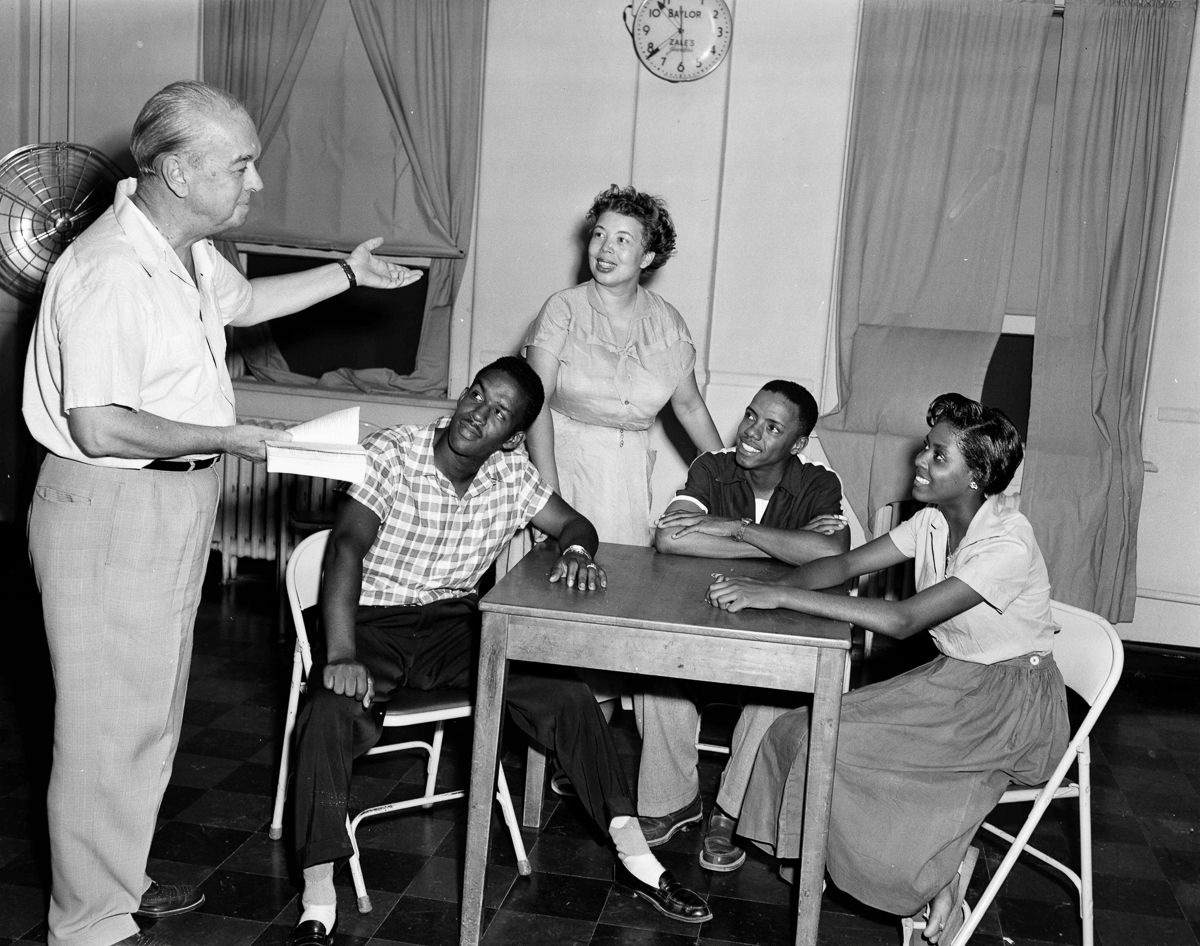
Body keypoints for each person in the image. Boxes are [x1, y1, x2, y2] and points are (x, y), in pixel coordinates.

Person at [22, 81, 423, 946]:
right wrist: (233, 437)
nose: (257, 182)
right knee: (104, 726)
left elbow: (245, 305)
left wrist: (348, 272)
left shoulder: (184, 251)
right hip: (112, 504)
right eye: (240, 166)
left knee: (149, 716)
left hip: (170, 497)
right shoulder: (108, 270)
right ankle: (87, 922)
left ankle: (117, 882)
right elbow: (100, 424)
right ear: (176, 173)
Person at [288, 358, 711, 946]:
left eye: (497, 413)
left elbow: (577, 526)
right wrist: (339, 653)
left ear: (512, 437)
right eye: (476, 395)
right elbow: (345, 549)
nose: (475, 414)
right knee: (328, 710)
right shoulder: (395, 451)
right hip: (369, 621)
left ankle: (636, 858)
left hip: (454, 626)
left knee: (566, 694)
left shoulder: (511, 476)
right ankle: (318, 896)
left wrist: (576, 552)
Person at [706, 394, 1070, 946]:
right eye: (927, 447)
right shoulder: (932, 521)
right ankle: (890, 864)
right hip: (953, 682)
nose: (920, 461)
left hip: (1010, 704)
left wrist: (776, 597)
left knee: (836, 747)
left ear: (976, 477)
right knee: (796, 732)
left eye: (939, 456)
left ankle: (933, 874)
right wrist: (766, 586)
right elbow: (845, 564)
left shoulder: (1007, 545)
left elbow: (902, 620)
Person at [635, 380, 850, 871]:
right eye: (752, 416)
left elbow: (830, 553)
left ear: (797, 443)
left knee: (781, 691)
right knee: (652, 671)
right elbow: (670, 539)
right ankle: (672, 801)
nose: (752, 432)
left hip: (769, 641)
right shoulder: (712, 466)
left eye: (772, 427)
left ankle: (731, 813)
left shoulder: (819, 482)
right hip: (703, 631)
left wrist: (735, 528)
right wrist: (784, 547)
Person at [522, 184, 723, 546]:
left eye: (622, 240)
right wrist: (547, 499)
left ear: (647, 257)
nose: (605, 248)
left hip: (626, 481)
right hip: (559, 467)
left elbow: (690, 408)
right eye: (599, 234)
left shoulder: (668, 322)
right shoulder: (562, 309)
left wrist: (729, 482)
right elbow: (535, 404)